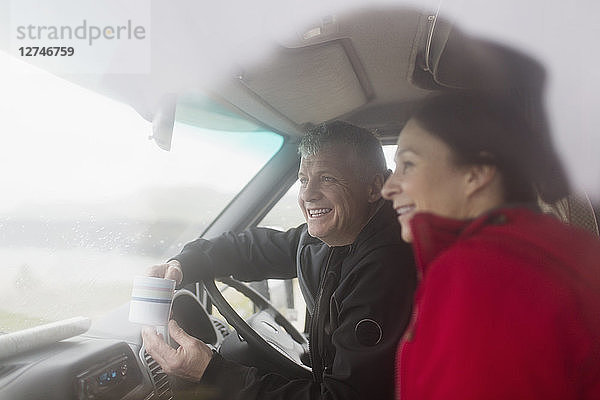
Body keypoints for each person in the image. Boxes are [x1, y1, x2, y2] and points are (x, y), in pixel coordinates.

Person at [142, 121, 416, 399]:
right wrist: (183, 263)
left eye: (328, 178)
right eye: (304, 180)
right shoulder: (329, 238)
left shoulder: (386, 269)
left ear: (374, 188)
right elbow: (251, 249)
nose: (308, 195)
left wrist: (213, 372)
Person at [381, 92, 600, 400]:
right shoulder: (556, 247)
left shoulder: (477, 273)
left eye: (408, 164)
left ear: (476, 174)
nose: (387, 188)